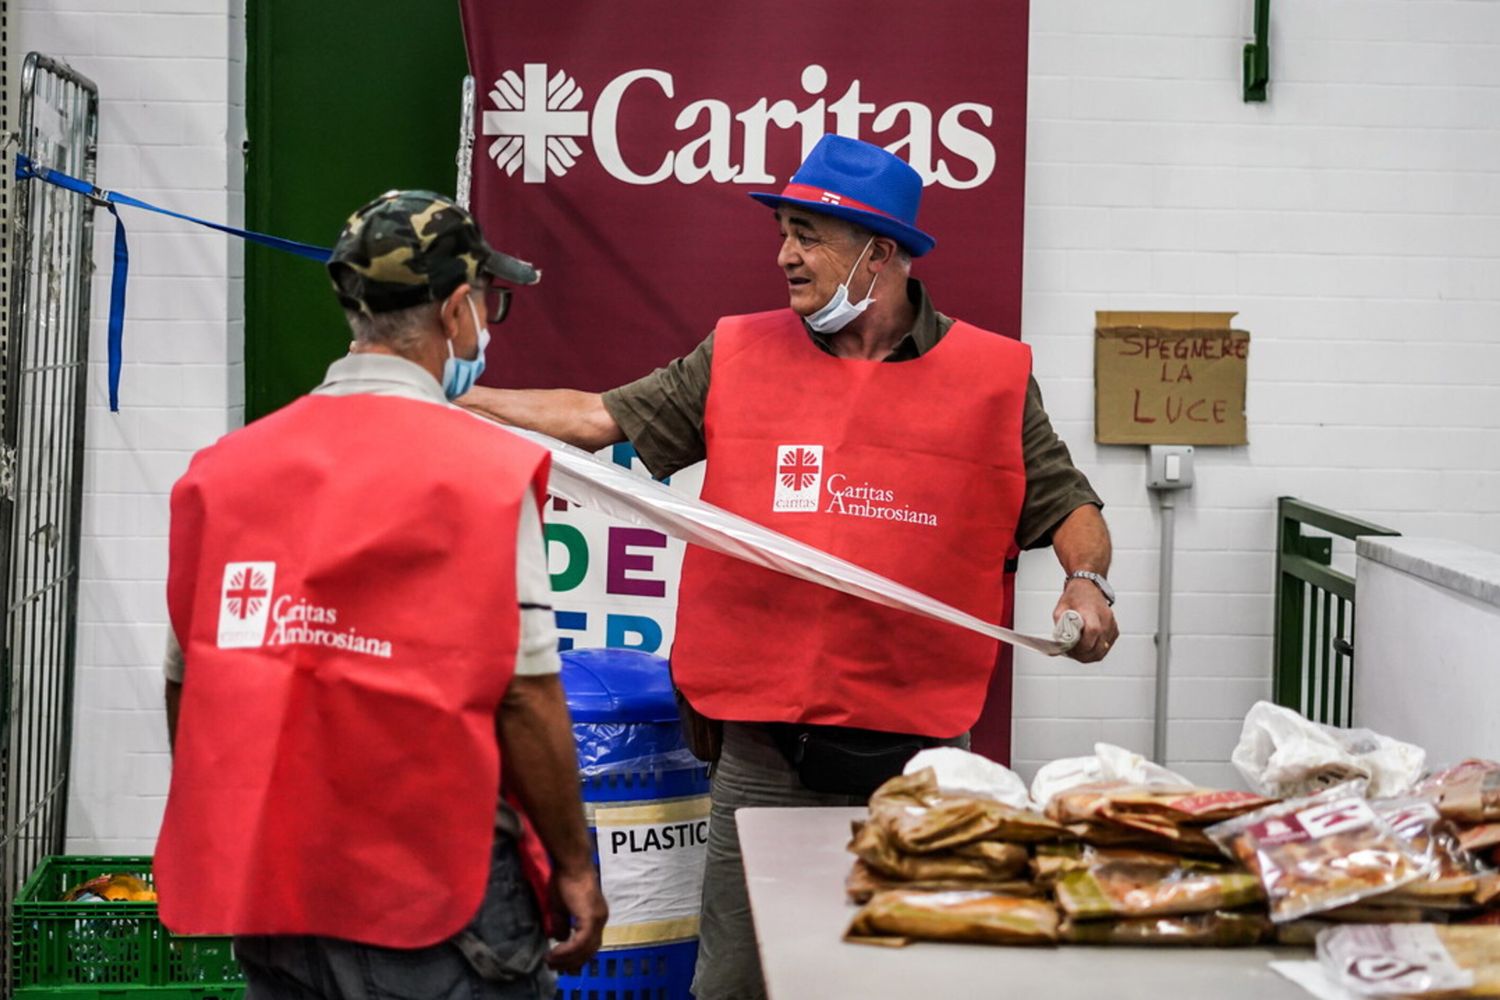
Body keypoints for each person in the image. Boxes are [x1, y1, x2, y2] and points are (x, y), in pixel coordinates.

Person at [461, 135, 1119, 1000]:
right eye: (783, 231)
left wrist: (1086, 581)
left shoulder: (993, 377)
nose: (784, 255)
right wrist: (440, 391)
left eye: (807, 235)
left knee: (895, 979)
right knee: (733, 981)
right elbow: (595, 417)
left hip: (920, 752)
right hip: (763, 751)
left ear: (880, 253)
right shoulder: (736, 353)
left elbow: (1071, 506)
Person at [156, 190, 607, 1000]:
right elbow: (526, 699)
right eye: (489, 304)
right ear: (461, 309)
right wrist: (574, 865)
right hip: (439, 898)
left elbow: (191, 686)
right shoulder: (481, 478)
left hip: (279, 888)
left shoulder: (223, 474)